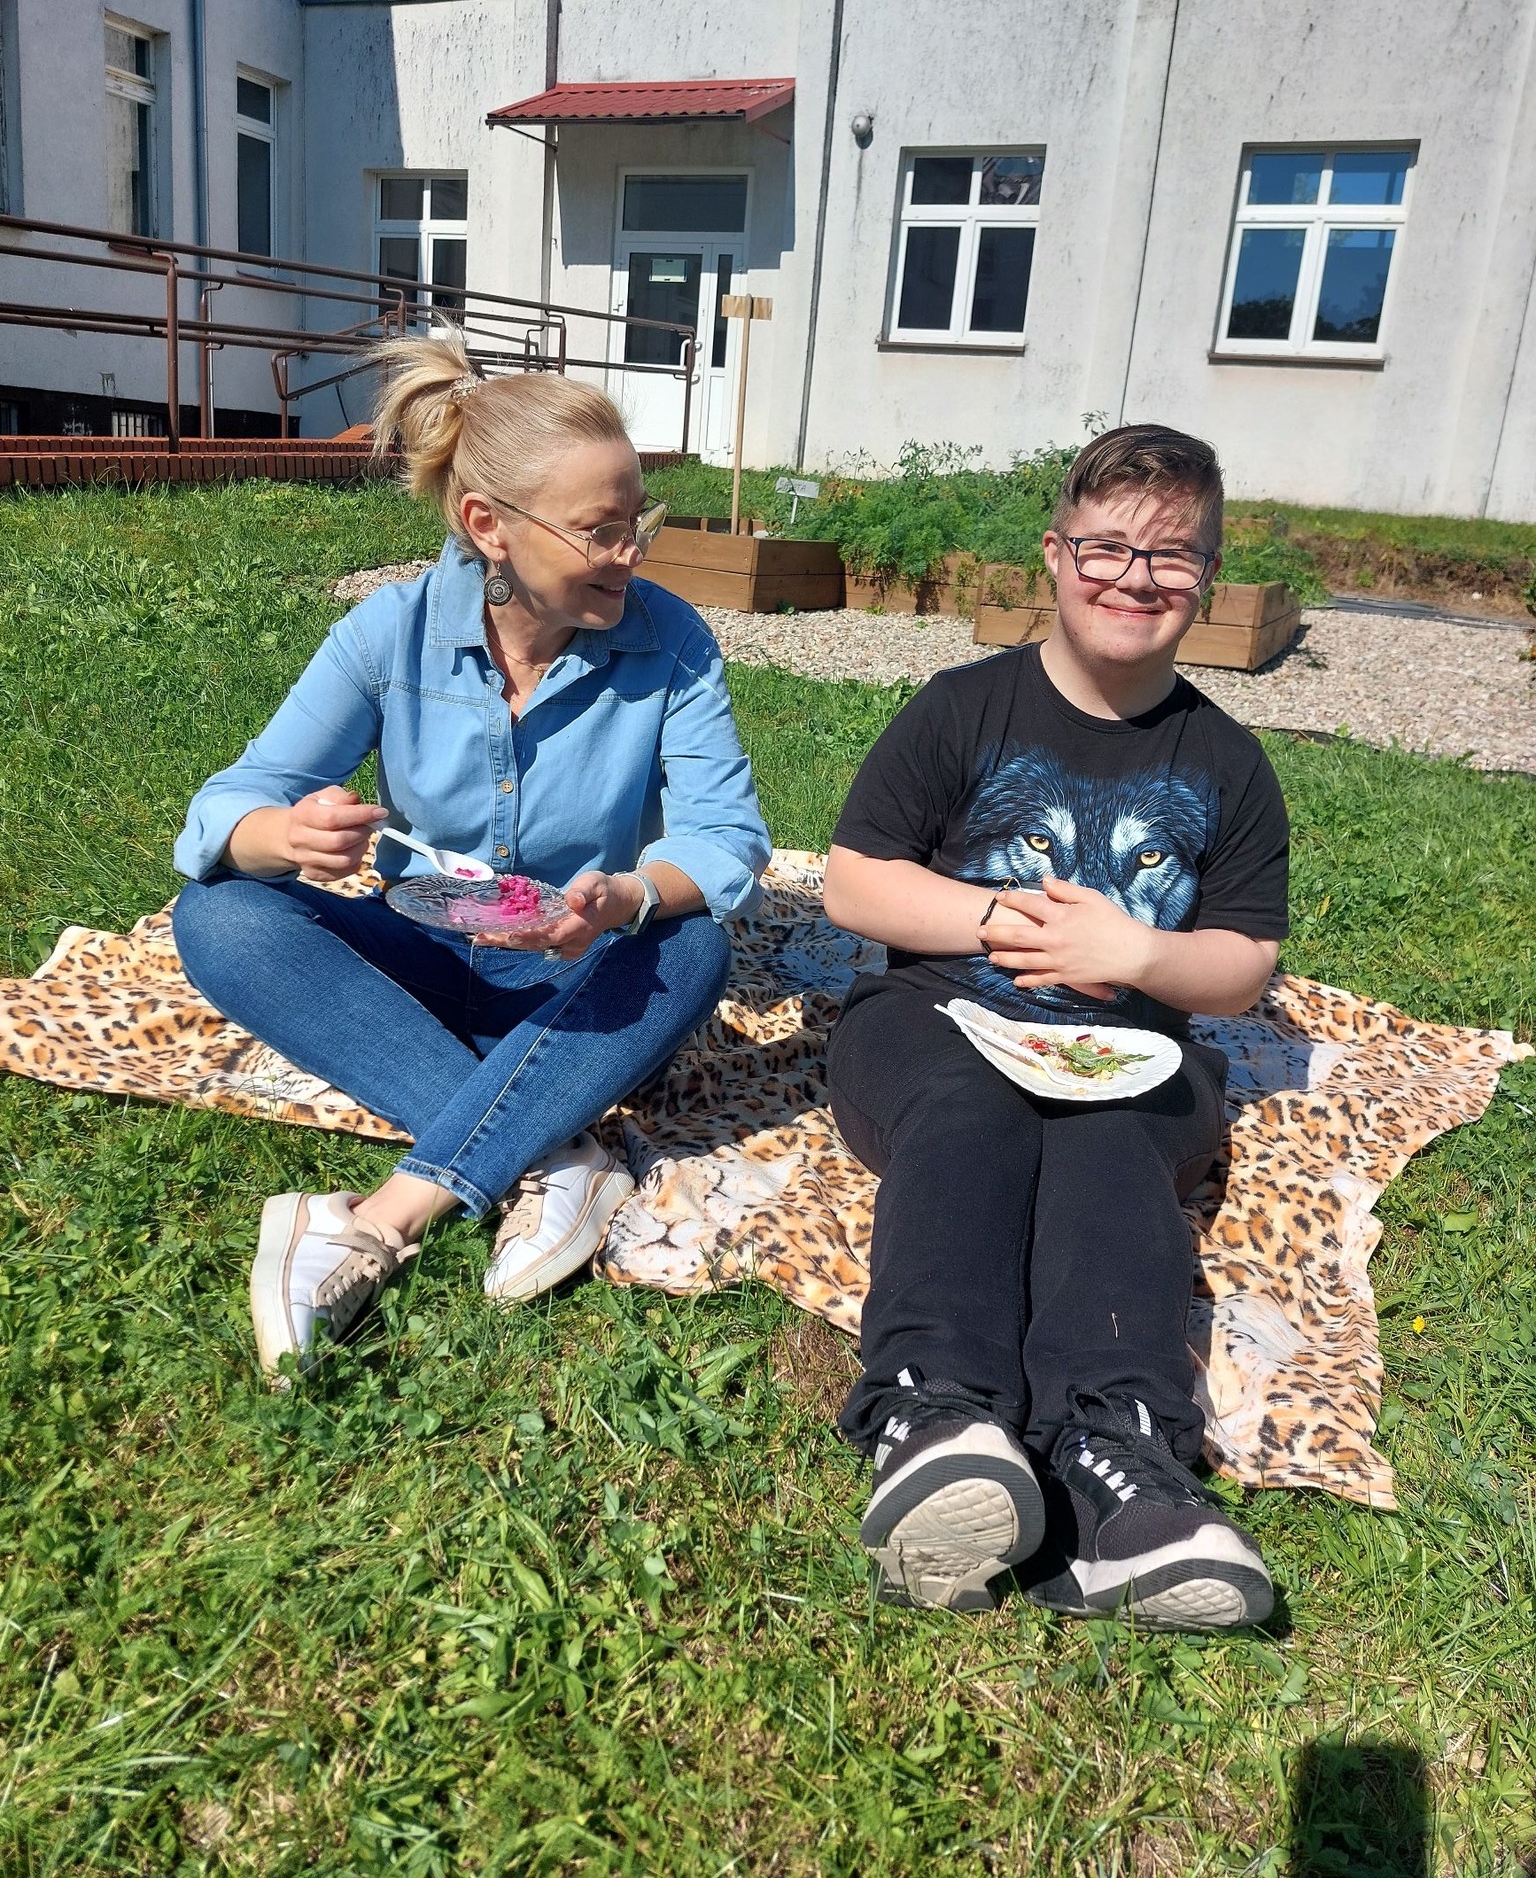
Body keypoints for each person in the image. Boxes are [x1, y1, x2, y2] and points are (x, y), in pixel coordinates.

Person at [172, 334, 770, 1381]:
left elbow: (726, 839)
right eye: (600, 530)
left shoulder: (673, 643)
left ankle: (384, 1215)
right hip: (420, 951)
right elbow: (233, 800)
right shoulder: (387, 634)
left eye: (638, 523)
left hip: (578, 972)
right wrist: (282, 834)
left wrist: (626, 895)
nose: (631, 554)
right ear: (489, 525)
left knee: (693, 946)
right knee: (217, 915)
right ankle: (556, 1147)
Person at [821, 423, 1289, 1629]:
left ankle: (1118, 1466)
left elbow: (1244, 961)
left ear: (1208, 577)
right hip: (936, 1017)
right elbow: (854, 880)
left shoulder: (1228, 762)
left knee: (1110, 1148)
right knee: (969, 1109)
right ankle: (935, 1413)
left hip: (1130, 1045)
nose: (1136, 576)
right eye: (1107, 546)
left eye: (1171, 555)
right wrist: (998, 920)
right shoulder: (962, 708)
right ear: (1055, 553)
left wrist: (1137, 956)